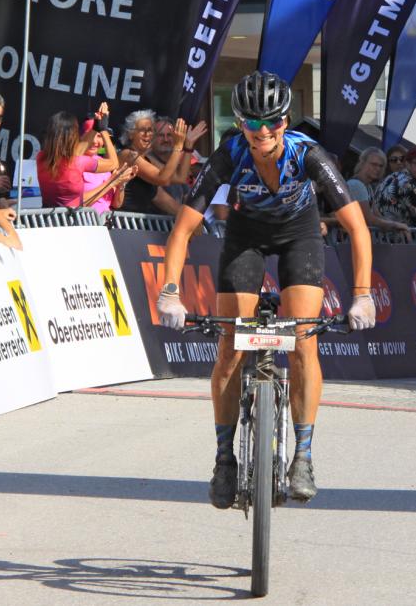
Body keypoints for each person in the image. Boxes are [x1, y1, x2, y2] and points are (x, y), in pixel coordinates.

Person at [156, 70, 374, 508]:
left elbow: (357, 228)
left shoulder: (307, 154)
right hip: (246, 237)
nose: (263, 132)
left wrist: (363, 293)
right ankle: (224, 458)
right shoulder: (229, 154)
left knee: (302, 345)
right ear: (240, 125)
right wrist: (171, 290)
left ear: (285, 120)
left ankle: (304, 455)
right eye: (253, 124)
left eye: (272, 122)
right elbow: (182, 231)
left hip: (301, 235)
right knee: (230, 348)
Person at [119, 109, 205, 215]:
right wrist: (178, 146)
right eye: (142, 130)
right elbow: (162, 179)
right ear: (131, 134)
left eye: (150, 130)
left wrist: (188, 146)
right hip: (123, 226)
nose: (147, 134)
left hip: (140, 227)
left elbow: (180, 178)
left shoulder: (146, 160)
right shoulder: (128, 155)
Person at [35, 104, 121, 208]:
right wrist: (103, 130)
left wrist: (95, 128)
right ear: (73, 136)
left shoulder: (41, 158)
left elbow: (77, 151)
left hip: (49, 220)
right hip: (73, 221)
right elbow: (114, 163)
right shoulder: (79, 162)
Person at [345, 148, 410, 235]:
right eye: (374, 164)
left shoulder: (367, 186)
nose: (378, 169)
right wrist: (395, 225)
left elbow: (377, 215)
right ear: (362, 163)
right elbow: (368, 218)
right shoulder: (356, 185)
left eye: (381, 166)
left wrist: (398, 226)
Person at [81, 129, 138, 214]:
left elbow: (117, 204)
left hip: (104, 224)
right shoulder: (74, 162)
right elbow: (79, 202)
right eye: (90, 135)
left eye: (99, 136)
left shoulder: (105, 163)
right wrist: (111, 182)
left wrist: (121, 183)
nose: (94, 141)